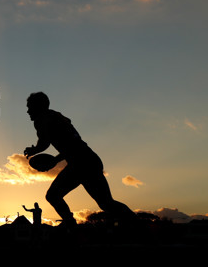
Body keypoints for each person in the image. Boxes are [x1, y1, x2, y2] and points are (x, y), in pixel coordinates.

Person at [24, 92, 136, 228]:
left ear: (38, 107)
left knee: (53, 196)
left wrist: (44, 155)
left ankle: (71, 226)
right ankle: (139, 227)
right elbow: (65, 144)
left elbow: (57, 144)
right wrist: (45, 155)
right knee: (106, 203)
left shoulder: (42, 120)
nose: (28, 111)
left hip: (81, 164)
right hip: (88, 160)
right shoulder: (57, 117)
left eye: (30, 107)